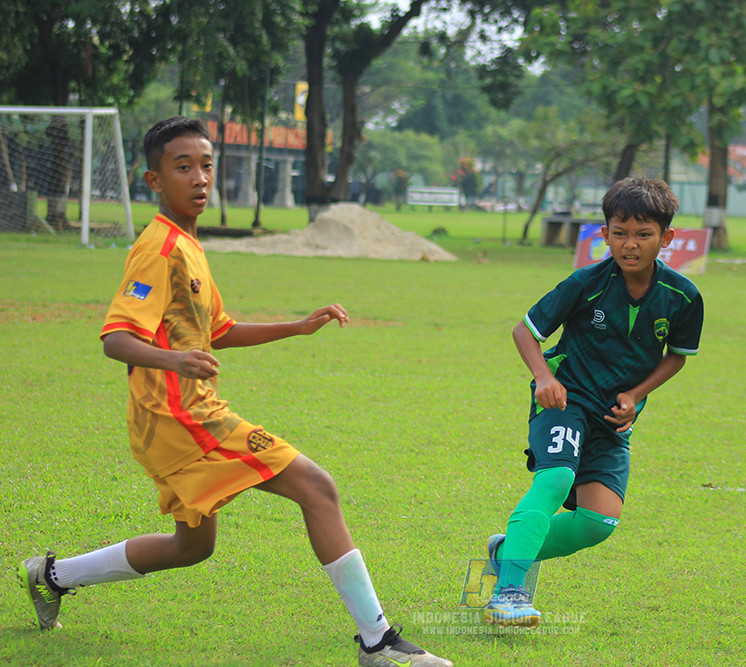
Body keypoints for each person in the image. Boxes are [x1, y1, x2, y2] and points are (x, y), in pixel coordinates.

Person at [18, 117, 452, 667]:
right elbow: (116, 338)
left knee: (192, 547)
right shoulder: (159, 248)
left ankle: (51, 576)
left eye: (206, 166)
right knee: (317, 488)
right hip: (178, 415)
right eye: (183, 167)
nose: (200, 178)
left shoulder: (189, 245)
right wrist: (172, 358)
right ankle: (379, 644)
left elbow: (218, 330)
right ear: (153, 180)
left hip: (178, 415)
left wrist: (295, 327)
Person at [482, 176, 704, 627]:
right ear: (604, 235)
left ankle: (507, 551)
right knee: (556, 479)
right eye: (619, 232)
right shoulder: (586, 283)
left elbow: (677, 356)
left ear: (667, 238)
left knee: (597, 523)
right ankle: (508, 593)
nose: (631, 244)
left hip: (614, 418)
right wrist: (543, 377)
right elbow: (525, 331)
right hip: (566, 401)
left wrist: (636, 395)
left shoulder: (683, 296)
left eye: (644, 234)